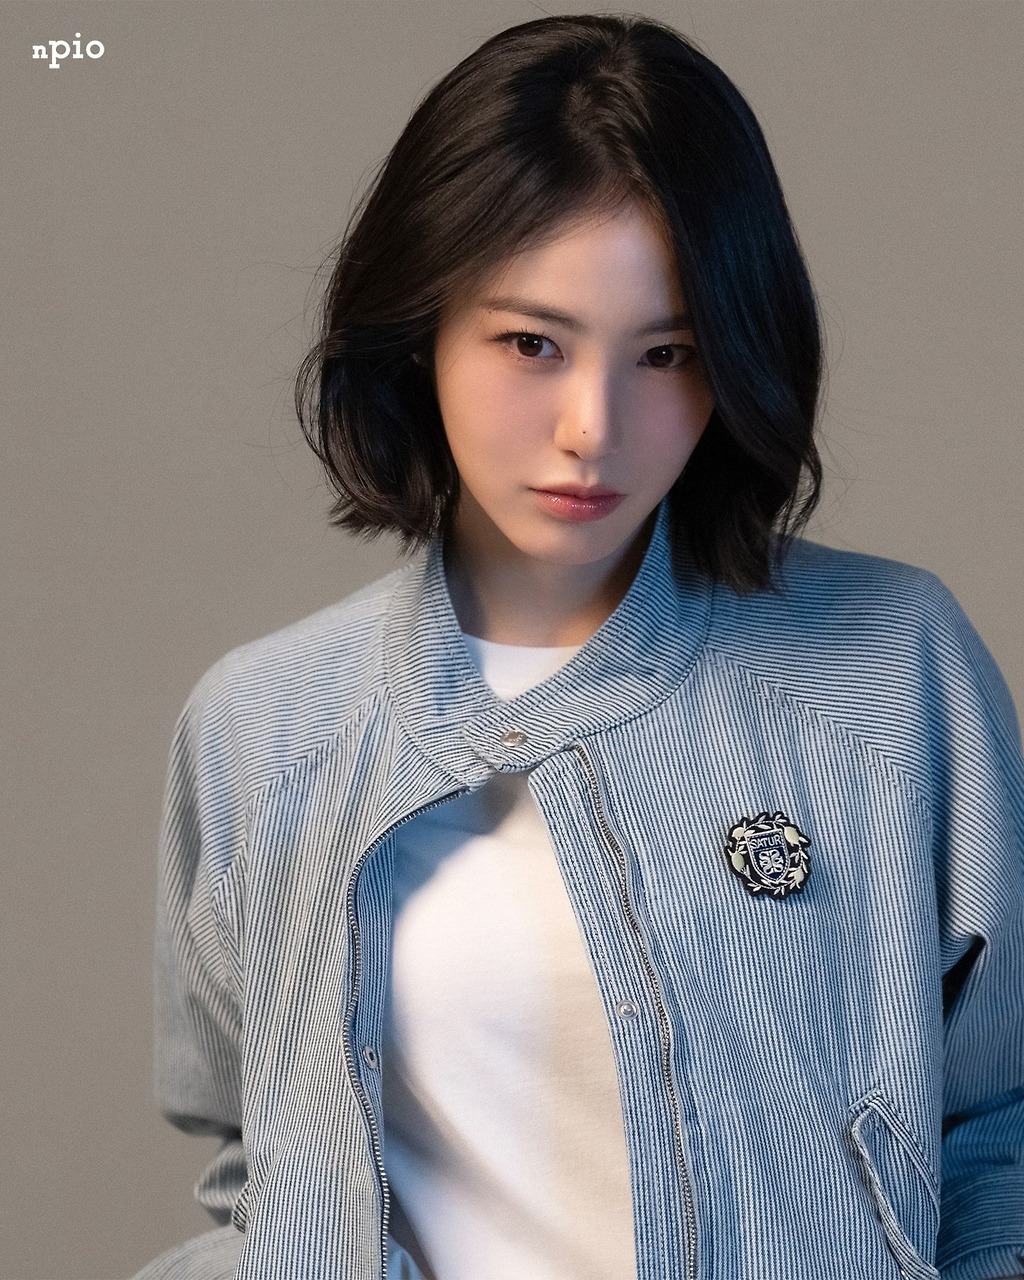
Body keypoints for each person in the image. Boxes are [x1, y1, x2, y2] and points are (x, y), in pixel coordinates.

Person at [132, 13, 1024, 1280]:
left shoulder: (887, 667)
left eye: (666, 354)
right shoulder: (263, 727)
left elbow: (999, 1129)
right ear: (420, 331)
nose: (591, 427)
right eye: (531, 344)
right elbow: (253, 1174)